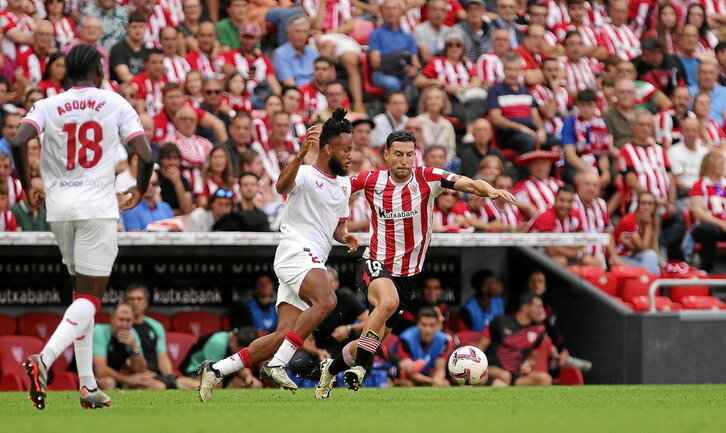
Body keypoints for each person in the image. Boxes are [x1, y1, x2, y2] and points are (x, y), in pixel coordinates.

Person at [315, 130, 516, 398]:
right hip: (374, 261)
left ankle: (331, 369)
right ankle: (362, 367)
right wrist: (334, 222)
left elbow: (468, 183)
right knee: (387, 303)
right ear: (386, 155)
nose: (404, 161)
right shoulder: (370, 180)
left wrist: (490, 190)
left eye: (410, 155)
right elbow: (333, 190)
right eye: (398, 154)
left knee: (370, 340)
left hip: (408, 275)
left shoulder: (428, 178)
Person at [12, 45, 153, 410]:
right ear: (97, 71)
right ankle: (42, 360)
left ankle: (88, 386)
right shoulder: (115, 102)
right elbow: (147, 153)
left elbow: (17, 140)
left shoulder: (47, 105)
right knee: (91, 297)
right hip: (96, 208)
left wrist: (29, 187)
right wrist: (138, 187)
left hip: (59, 209)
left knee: (81, 296)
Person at [198, 109, 359, 400]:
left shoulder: (345, 184)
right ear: (327, 148)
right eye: (346, 149)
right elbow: (281, 186)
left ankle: (216, 369)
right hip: (295, 251)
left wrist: (345, 237)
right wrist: (298, 157)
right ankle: (276, 365)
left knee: (283, 335)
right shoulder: (306, 174)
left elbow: (337, 226)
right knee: (327, 300)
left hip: (312, 259)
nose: (351, 155)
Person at [288, 266, 368, 381]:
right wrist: (318, 351)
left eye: (329, 282)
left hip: (347, 350)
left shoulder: (346, 298)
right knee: (297, 362)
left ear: (336, 283)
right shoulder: (311, 302)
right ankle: (319, 385)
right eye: (322, 282)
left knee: (366, 351)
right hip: (323, 351)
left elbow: (370, 320)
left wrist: (349, 328)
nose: (325, 286)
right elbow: (302, 338)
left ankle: (358, 383)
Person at [124, 284, 197, 389]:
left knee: (196, 386)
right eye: (131, 299)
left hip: (157, 375)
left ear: (146, 302)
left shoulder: (156, 326)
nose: (135, 303)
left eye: (139, 299)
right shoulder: (122, 327)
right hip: (137, 375)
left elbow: (162, 355)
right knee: (159, 387)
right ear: (126, 303)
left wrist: (168, 377)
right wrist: (144, 372)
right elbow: (126, 361)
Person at [479, 293, 552, 387]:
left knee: (545, 379)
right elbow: (480, 347)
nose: (542, 311)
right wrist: (481, 369)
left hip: (517, 374)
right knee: (505, 376)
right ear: (525, 308)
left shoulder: (540, 330)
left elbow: (532, 357)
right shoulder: (500, 321)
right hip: (493, 368)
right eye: (538, 307)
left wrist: (527, 364)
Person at [487, 53, 547, 155]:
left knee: (555, 140)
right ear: (503, 70)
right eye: (509, 69)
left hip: (529, 130)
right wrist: (521, 128)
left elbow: (535, 116)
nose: (512, 73)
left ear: (520, 71)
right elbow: (496, 119)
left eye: (515, 70)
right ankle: (525, 171)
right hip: (508, 133)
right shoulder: (495, 90)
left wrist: (541, 130)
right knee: (527, 141)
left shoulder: (526, 91)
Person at [528, 185, 602, 267]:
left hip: (564, 255)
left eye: (569, 201)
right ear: (555, 198)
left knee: (593, 262)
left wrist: (561, 245)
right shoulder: (546, 216)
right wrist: (577, 253)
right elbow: (552, 250)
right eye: (562, 200)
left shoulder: (575, 214)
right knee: (560, 261)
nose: (565, 205)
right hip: (533, 255)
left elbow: (583, 241)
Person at [93, 303, 162, 390]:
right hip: (89, 376)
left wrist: (134, 347)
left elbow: (140, 369)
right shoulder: (99, 331)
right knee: (108, 382)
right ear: (112, 318)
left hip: (117, 377)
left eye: (128, 320)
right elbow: (101, 370)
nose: (124, 324)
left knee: (153, 385)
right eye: (121, 319)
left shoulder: (132, 333)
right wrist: (127, 379)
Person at [178, 327, 262, 389]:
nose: (240, 352)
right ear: (234, 340)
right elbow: (212, 372)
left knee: (252, 385)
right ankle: (178, 383)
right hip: (195, 371)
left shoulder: (234, 340)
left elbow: (240, 364)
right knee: (216, 384)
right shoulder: (218, 342)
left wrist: (249, 377)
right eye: (240, 349)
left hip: (221, 372)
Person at [368, 0, 422, 94]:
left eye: (394, 9)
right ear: (382, 12)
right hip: (383, 72)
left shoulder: (408, 36)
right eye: (387, 9)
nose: (391, 12)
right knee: (393, 83)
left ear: (401, 12)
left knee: (420, 81)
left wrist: (413, 69)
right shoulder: (376, 34)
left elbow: (416, 62)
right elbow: (375, 63)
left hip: (405, 73)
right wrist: (397, 66)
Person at [560, 89, 611, 186]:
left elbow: (603, 154)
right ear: (578, 105)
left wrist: (605, 172)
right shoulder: (570, 122)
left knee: (612, 177)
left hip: (595, 163)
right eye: (583, 105)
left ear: (595, 105)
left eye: (589, 105)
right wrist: (589, 172)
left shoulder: (601, 124)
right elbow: (570, 156)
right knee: (588, 182)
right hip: (574, 166)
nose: (586, 109)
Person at [391, 308, 450, 387]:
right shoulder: (406, 339)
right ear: (418, 324)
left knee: (445, 383)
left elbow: (440, 369)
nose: (428, 330)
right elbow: (407, 371)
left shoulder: (443, 340)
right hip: (399, 374)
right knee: (408, 385)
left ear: (437, 326)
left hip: (425, 374)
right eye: (424, 324)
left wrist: (438, 380)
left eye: (432, 325)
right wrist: (431, 382)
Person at [689, 151, 726, 273]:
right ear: (710, 165)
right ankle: (706, 269)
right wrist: (721, 224)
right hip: (706, 226)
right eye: (720, 163)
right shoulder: (699, 185)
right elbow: (698, 212)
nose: (723, 166)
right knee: (710, 230)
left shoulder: (725, 183)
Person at [612, 191, 661, 275]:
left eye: (650, 204)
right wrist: (648, 226)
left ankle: (648, 283)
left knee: (652, 258)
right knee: (650, 259)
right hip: (622, 257)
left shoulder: (654, 220)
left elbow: (653, 248)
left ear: (654, 206)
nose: (647, 207)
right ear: (638, 205)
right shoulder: (629, 221)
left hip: (636, 256)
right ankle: (650, 284)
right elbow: (644, 248)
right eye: (643, 203)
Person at [513, 150, 562, 219]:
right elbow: (507, 199)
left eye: (544, 163)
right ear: (529, 167)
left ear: (550, 164)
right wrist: (527, 207)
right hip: (538, 227)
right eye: (536, 164)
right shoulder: (523, 186)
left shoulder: (559, 184)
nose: (540, 167)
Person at [668, 117, 709, 198]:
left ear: (698, 132)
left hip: (705, 192)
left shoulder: (705, 152)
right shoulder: (674, 151)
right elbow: (676, 182)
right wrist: (696, 191)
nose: (691, 134)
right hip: (685, 193)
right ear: (682, 132)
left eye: (694, 131)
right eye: (687, 131)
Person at [273, 15, 319, 88]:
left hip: (315, 93)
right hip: (296, 93)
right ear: (289, 34)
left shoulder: (313, 53)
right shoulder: (281, 53)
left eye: (305, 32)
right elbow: (289, 84)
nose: (301, 35)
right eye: (297, 31)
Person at [156, 143, 194, 216]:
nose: (172, 162)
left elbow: (187, 209)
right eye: (168, 158)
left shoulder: (183, 180)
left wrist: (177, 182)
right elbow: (159, 211)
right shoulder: (155, 177)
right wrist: (179, 211)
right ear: (161, 160)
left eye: (175, 158)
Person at [109, 14, 148, 83]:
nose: (138, 30)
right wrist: (143, 85)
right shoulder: (118, 49)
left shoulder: (146, 49)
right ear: (127, 28)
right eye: (134, 27)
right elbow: (124, 76)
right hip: (122, 88)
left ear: (145, 28)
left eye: (141, 27)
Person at [413, 0, 451, 64]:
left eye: (442, 10)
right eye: (435, 9)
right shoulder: (419, 30)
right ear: (428, 12)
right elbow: (426, 58)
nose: (439, 13)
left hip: (446, 68)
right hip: (427, 68)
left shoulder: (449, 31)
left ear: (446, 14)